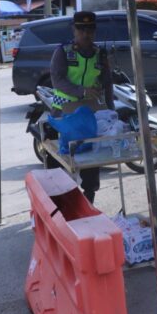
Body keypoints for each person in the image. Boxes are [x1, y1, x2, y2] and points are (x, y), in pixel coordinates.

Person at [49, 11, 114, 203]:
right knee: (60, 160)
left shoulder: (100, 54)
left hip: (89, 113)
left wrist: (110, 109)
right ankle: (60, 201)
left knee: (91, 158)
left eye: (90, 30)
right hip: (63, 111)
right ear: (74, 30)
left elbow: (107, 81)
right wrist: (82, 91)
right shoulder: (63, 51)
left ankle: (89, 198)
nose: (86, 34)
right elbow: (57, 79)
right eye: (81, 30)